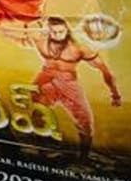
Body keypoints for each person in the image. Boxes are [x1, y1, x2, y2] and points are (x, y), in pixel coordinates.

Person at [14, 16, 121, 162]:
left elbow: (104, 69)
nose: (57, 35)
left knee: (85, 121)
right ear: (48, 31)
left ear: (67, 30)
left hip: (69, 83)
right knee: (38, 113)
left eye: (61, 31)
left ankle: (83, 157)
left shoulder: (79, 48)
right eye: (54, 32)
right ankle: (43, 151)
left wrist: (115, 94)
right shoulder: (40, 40)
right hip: (47, 78)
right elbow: (17, 37)